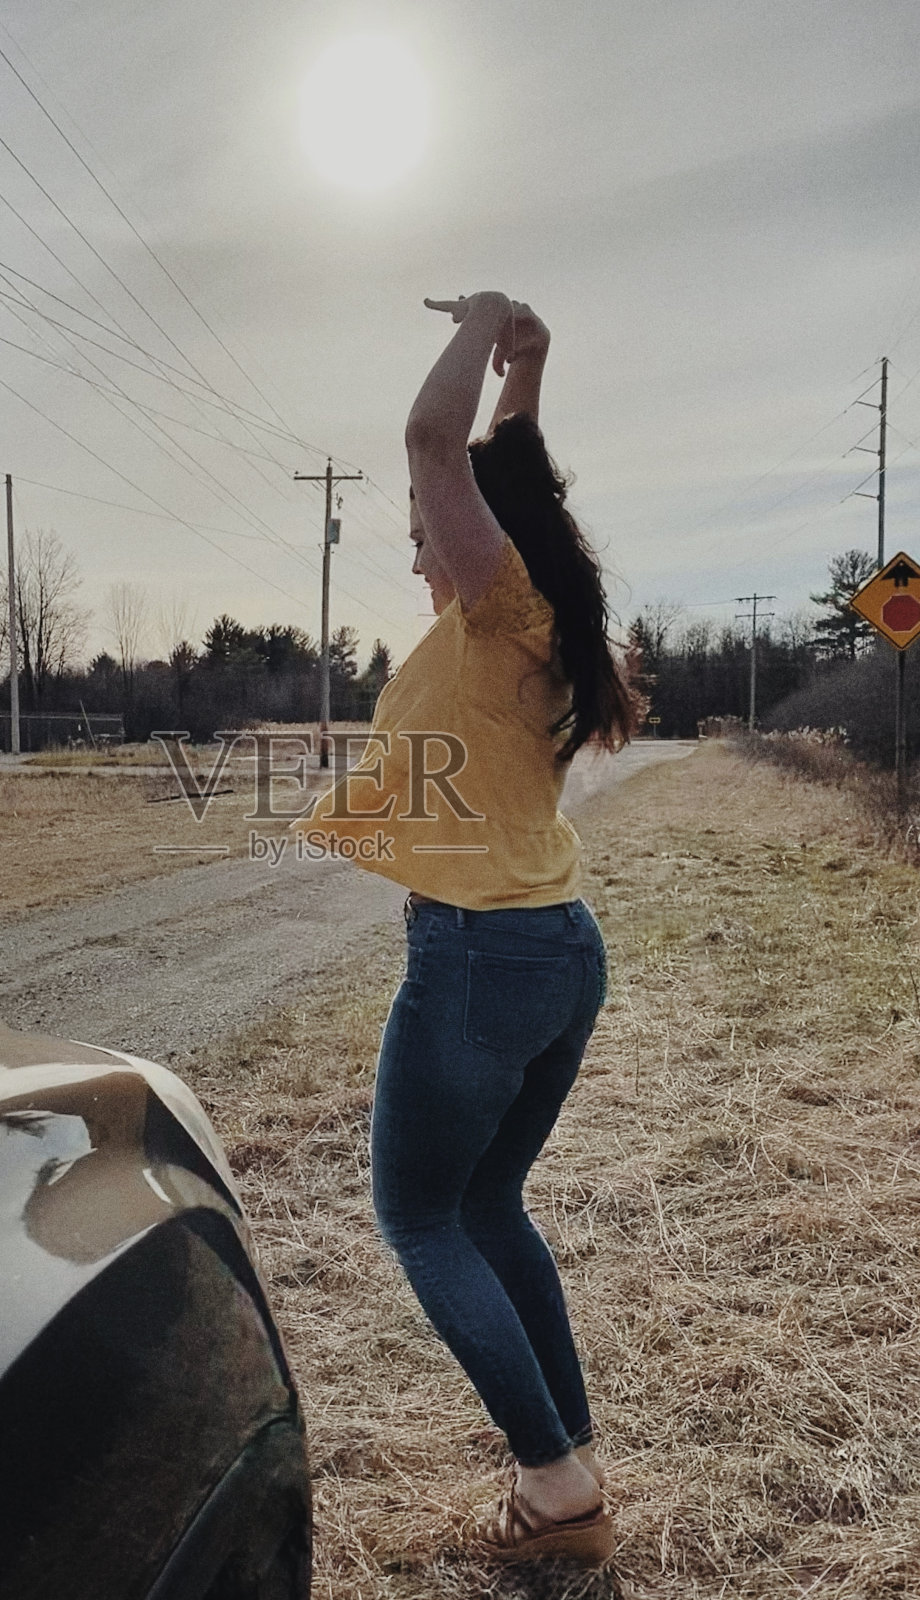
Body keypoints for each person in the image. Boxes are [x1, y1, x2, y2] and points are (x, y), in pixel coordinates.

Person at [291, 291, 642, 1564]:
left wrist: (486, 316)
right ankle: (575, 1462)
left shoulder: (502, 606)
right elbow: (497, 471)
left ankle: (553, 1490)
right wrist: (531, 368)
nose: (420, 553)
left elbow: (436, 449)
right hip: (555, 945)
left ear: (487, 541)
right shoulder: (534, 606)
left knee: (421, 1217)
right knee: (490, 1199)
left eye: (426, 539)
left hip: (483, 953)